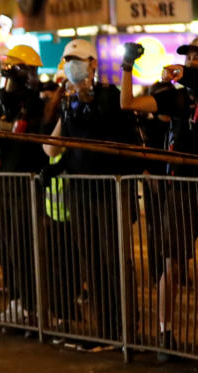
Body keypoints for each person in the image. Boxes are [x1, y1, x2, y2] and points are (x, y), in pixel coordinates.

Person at [123, 36, 198, 359]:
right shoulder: (178, 99)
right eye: (189, 55)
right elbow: (128, 103)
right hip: (181, 189)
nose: (193, 60)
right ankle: (165, 336)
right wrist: (127, 66)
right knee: (173, 265)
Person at [44, 38, 135, 346]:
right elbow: (53, 148)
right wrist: (68, 106)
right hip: (79, 191)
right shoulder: (69, 103)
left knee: (114, 261)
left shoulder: (110, 97)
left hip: (109, 190)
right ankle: (105, 331)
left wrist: (89, 100)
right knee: (92, 262)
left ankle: (125, 329)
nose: (72, 65)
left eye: (78, 59)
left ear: (93, 64)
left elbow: (116, 132)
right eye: (68, 60)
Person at [0, 45, 49, 328]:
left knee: (24, 248)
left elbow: (27, 138)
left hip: (26, 185)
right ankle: (17, 302)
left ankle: (32, 307)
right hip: (5, 185)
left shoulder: (36, 106)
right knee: (7, 248)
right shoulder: (4, 105)